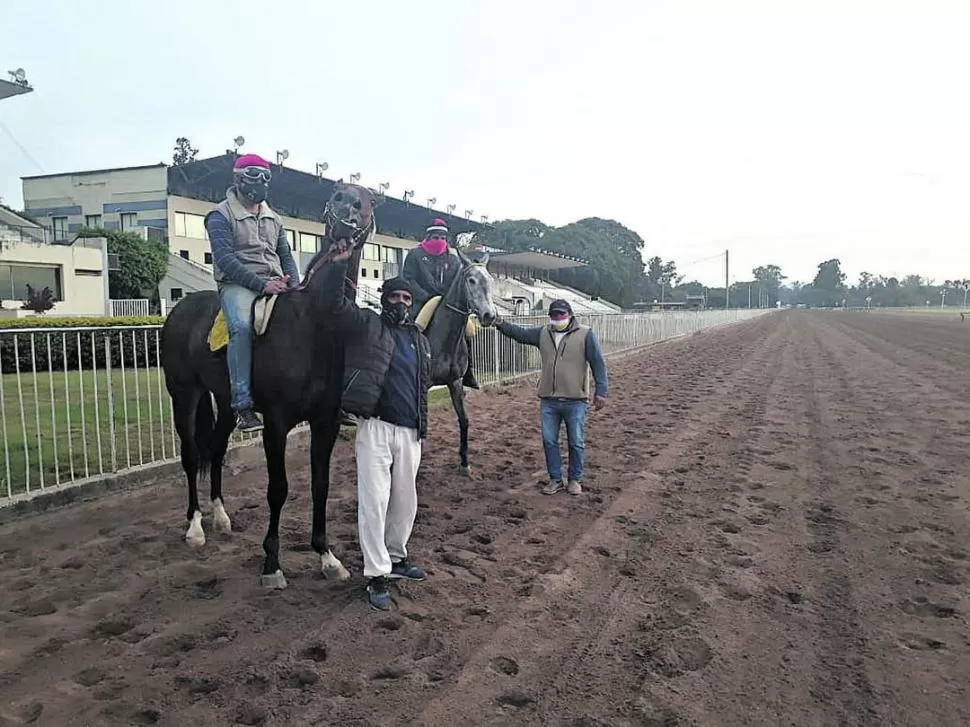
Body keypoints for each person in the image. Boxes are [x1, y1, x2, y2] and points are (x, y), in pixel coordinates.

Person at [320, 248, 432, 611]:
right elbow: (336, 307)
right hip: (376, 427)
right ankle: (376, 574)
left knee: (405, 501)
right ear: (384, 300)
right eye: (394, 297)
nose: (400, 302)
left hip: (410, 430)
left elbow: (421, 385)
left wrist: (421, 426)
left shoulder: (419, 338)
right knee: (375, 501)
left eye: (405, 298)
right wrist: (339, 265)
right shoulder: (368, 324)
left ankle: (397, 557)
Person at [204, 154, 300, 433]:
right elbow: (224, 259)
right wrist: (262, 285)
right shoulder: (219, 215)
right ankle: (242, 405)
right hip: (238, 285)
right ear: (238, 178)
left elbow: (285, 255)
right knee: (241, 328)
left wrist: (293, 283)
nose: (261, 182)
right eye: (255, 174)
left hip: (275, 281)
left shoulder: (275, 218)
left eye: (266, 176)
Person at [493, 299, 608, 495]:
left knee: (576, 441)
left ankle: (575, 479)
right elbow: (519, 334)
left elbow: (598, 362)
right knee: (549, 440)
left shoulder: (585, 335)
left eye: (561, 315)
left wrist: (601, 391)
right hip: (549, 399)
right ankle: (555, 479)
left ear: (570, 314)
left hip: (575, 399)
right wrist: (500, 324)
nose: (557, 318)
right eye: (554, 315)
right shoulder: (543, 333)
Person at [401, 218, 480, 389]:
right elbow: (408, 279)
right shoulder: (415, 255)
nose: (440, 241)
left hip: (447, 303)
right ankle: (410, 364)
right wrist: (425, 295)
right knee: (414, 326)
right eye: (436, 237)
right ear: (428, 237)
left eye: (443, 238)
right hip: (423, 301)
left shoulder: (453, 260)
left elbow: (457, 284)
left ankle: (468, 372)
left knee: (468, 330)